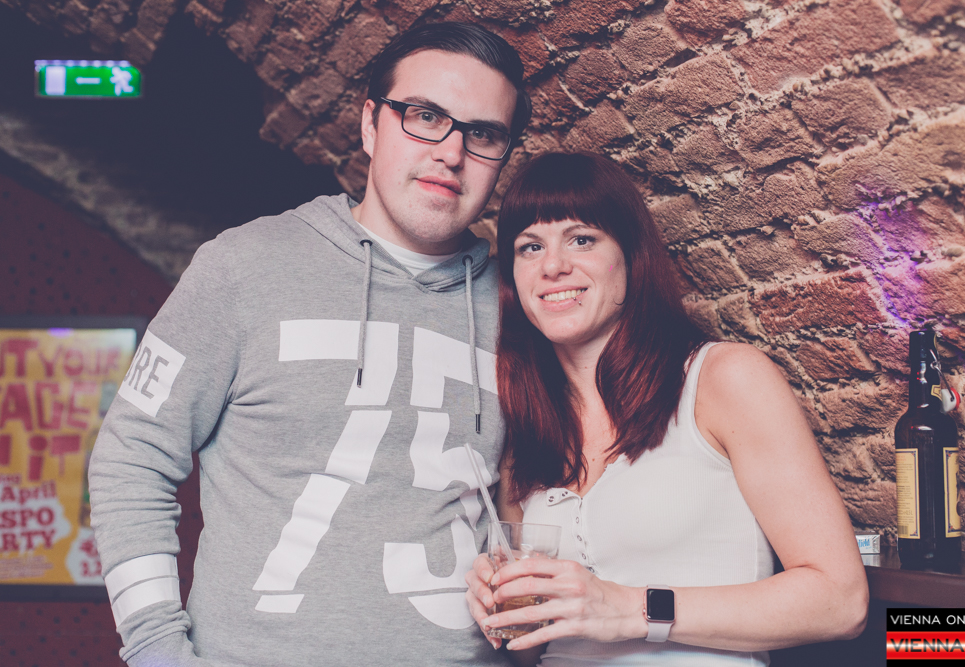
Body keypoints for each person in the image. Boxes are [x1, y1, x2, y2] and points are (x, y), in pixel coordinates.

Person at [89, 22, 532, 666]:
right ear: (370, 124)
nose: (451, 152)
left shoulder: (524, 308)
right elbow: (132, 457)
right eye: (425, 117)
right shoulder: (242, 268)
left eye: (483, 134)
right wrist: (156, 648)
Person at [465, 152, 869, 666]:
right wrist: (503, 605)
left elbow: (840, 602)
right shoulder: (526, 432)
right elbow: (531, 651)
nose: (553, 266)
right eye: (530, 247)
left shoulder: (725, 378)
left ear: (632, 255)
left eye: (582, 239)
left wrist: (629, 609)